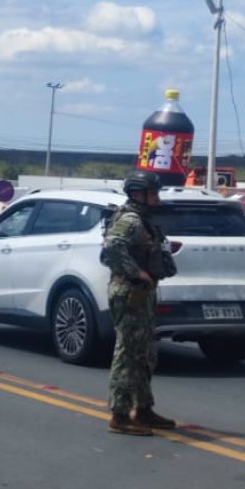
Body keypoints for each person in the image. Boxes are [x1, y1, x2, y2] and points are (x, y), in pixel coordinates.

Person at [103, 170, 177, 436]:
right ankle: (120, 415)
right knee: (128, 353)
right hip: (129, 291)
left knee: (145, 353)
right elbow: (112, 247)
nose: (157, 198)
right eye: (152, 193)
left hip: (143, 292)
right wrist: (136, 272)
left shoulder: (144, 220)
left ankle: (143, 408)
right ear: (137, 194)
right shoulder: (131, 220)